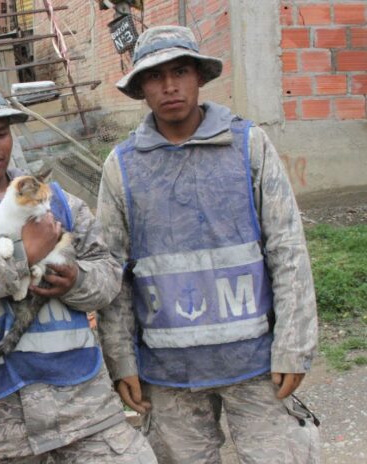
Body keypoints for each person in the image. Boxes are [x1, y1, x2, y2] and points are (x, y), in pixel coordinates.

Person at [0, 81, 156, 464]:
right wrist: (20, 256)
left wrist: (77, 280)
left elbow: (108, 275)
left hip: (85, 411)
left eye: (1, 133)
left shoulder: (58, 202)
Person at [97, 25, 319, 463]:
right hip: (168, 375)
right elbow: (113, 273)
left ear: (199, 76)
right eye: (155, 76)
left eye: (180, 71)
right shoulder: (121, 167)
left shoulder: (248, 146)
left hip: (256, 365)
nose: (169, 86)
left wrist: (293, 344)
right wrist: (121, 360)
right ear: (141, 88)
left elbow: (287, 248)